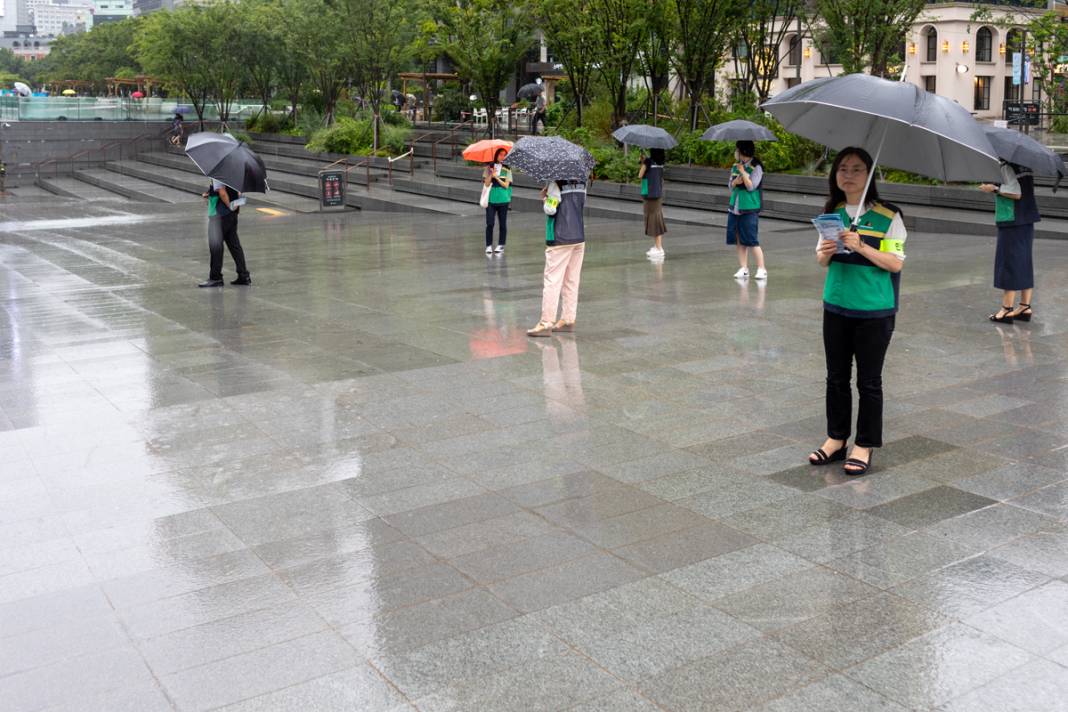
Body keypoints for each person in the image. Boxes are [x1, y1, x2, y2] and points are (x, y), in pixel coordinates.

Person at [808, 147, 906, 476]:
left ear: (869, 175)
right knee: (836, 378)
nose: (848, 175)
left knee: (869, 381)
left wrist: (861, 245)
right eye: (842, 169)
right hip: (836, 304)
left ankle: (864, 444)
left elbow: (895, 262)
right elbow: (823, 260)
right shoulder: (833, 211)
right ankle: (836, 439)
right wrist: (825, 252)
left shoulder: (889, 216)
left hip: (874, 311)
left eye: (857, 169)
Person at [980, 161, 1039, 324]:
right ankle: (1025, 306)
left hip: (1012, 219)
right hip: (1027, 218)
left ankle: (1006, 309)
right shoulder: (1025, 166)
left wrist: (993, 188)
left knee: (1009, 262)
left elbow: (1016, 193)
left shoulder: (1006, 166)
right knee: (1024, 261)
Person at [528, 179, 587, 337]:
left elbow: (550, 209)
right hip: (579, 237)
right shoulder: (582, 184)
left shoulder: (556, 184)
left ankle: (546, 322)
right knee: (572, 280)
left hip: (560, 237)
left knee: (552, 280)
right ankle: (568, 319)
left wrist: (545, 198)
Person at [199, 179, 251, 288]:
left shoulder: (219, 174)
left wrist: (229, 205)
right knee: (234, 245)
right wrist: (209, 194)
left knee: (216, 246)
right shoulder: (234, 174)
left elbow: (222, 192)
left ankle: (216, 277)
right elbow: (237, 193)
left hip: (219, 216)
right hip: (231, 216)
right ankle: (244, 275)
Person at [726, 140, 767, 280]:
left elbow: (751, 186)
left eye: (737, 150)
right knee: (739, 239)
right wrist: (734, 182)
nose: (736, 153)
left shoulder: (757, 167)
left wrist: (743, 173)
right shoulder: (735, 166)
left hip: (749, 208)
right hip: (735, 207)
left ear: (743, 152)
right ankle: (744, 268)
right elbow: (730, 187)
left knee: (751, 239)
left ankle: (762, 268)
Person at [638, 148, 667, 259]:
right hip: (658, 194)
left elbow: (640, 175)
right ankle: (657, 246)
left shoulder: (648, 162)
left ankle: (659, 248)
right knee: (657, 218)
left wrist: (643, 162)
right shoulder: (660, 163)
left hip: (649, 195)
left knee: (653, 220)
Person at [483, 148, 512, 255]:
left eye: (504, 155)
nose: (502, 157)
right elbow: (486, 184)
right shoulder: (489, 167)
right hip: (491, 199)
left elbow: (506, 185)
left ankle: (501, 244)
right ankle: (488, 245)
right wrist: (491, 174)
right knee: (490, 223)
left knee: (502, 223)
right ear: (496, 155)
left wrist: (497, 178)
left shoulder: (508, 169)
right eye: (500, 154)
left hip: (503, 199)